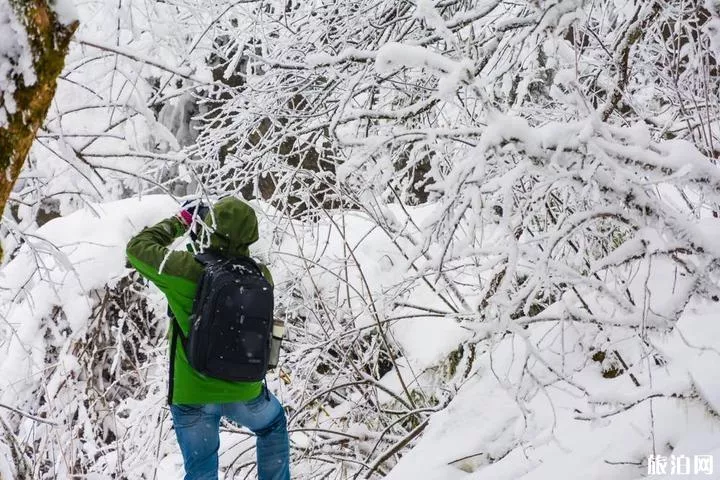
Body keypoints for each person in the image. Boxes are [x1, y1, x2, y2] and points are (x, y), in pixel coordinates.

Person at [126, 196, 290, 480]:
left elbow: (137, 249)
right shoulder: (262, 276)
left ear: (209, 228)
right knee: (272, 424)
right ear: (252, 236)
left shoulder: (185, 269)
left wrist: (183, 222)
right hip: (244, 391)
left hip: (193, 395)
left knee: (201, 472)